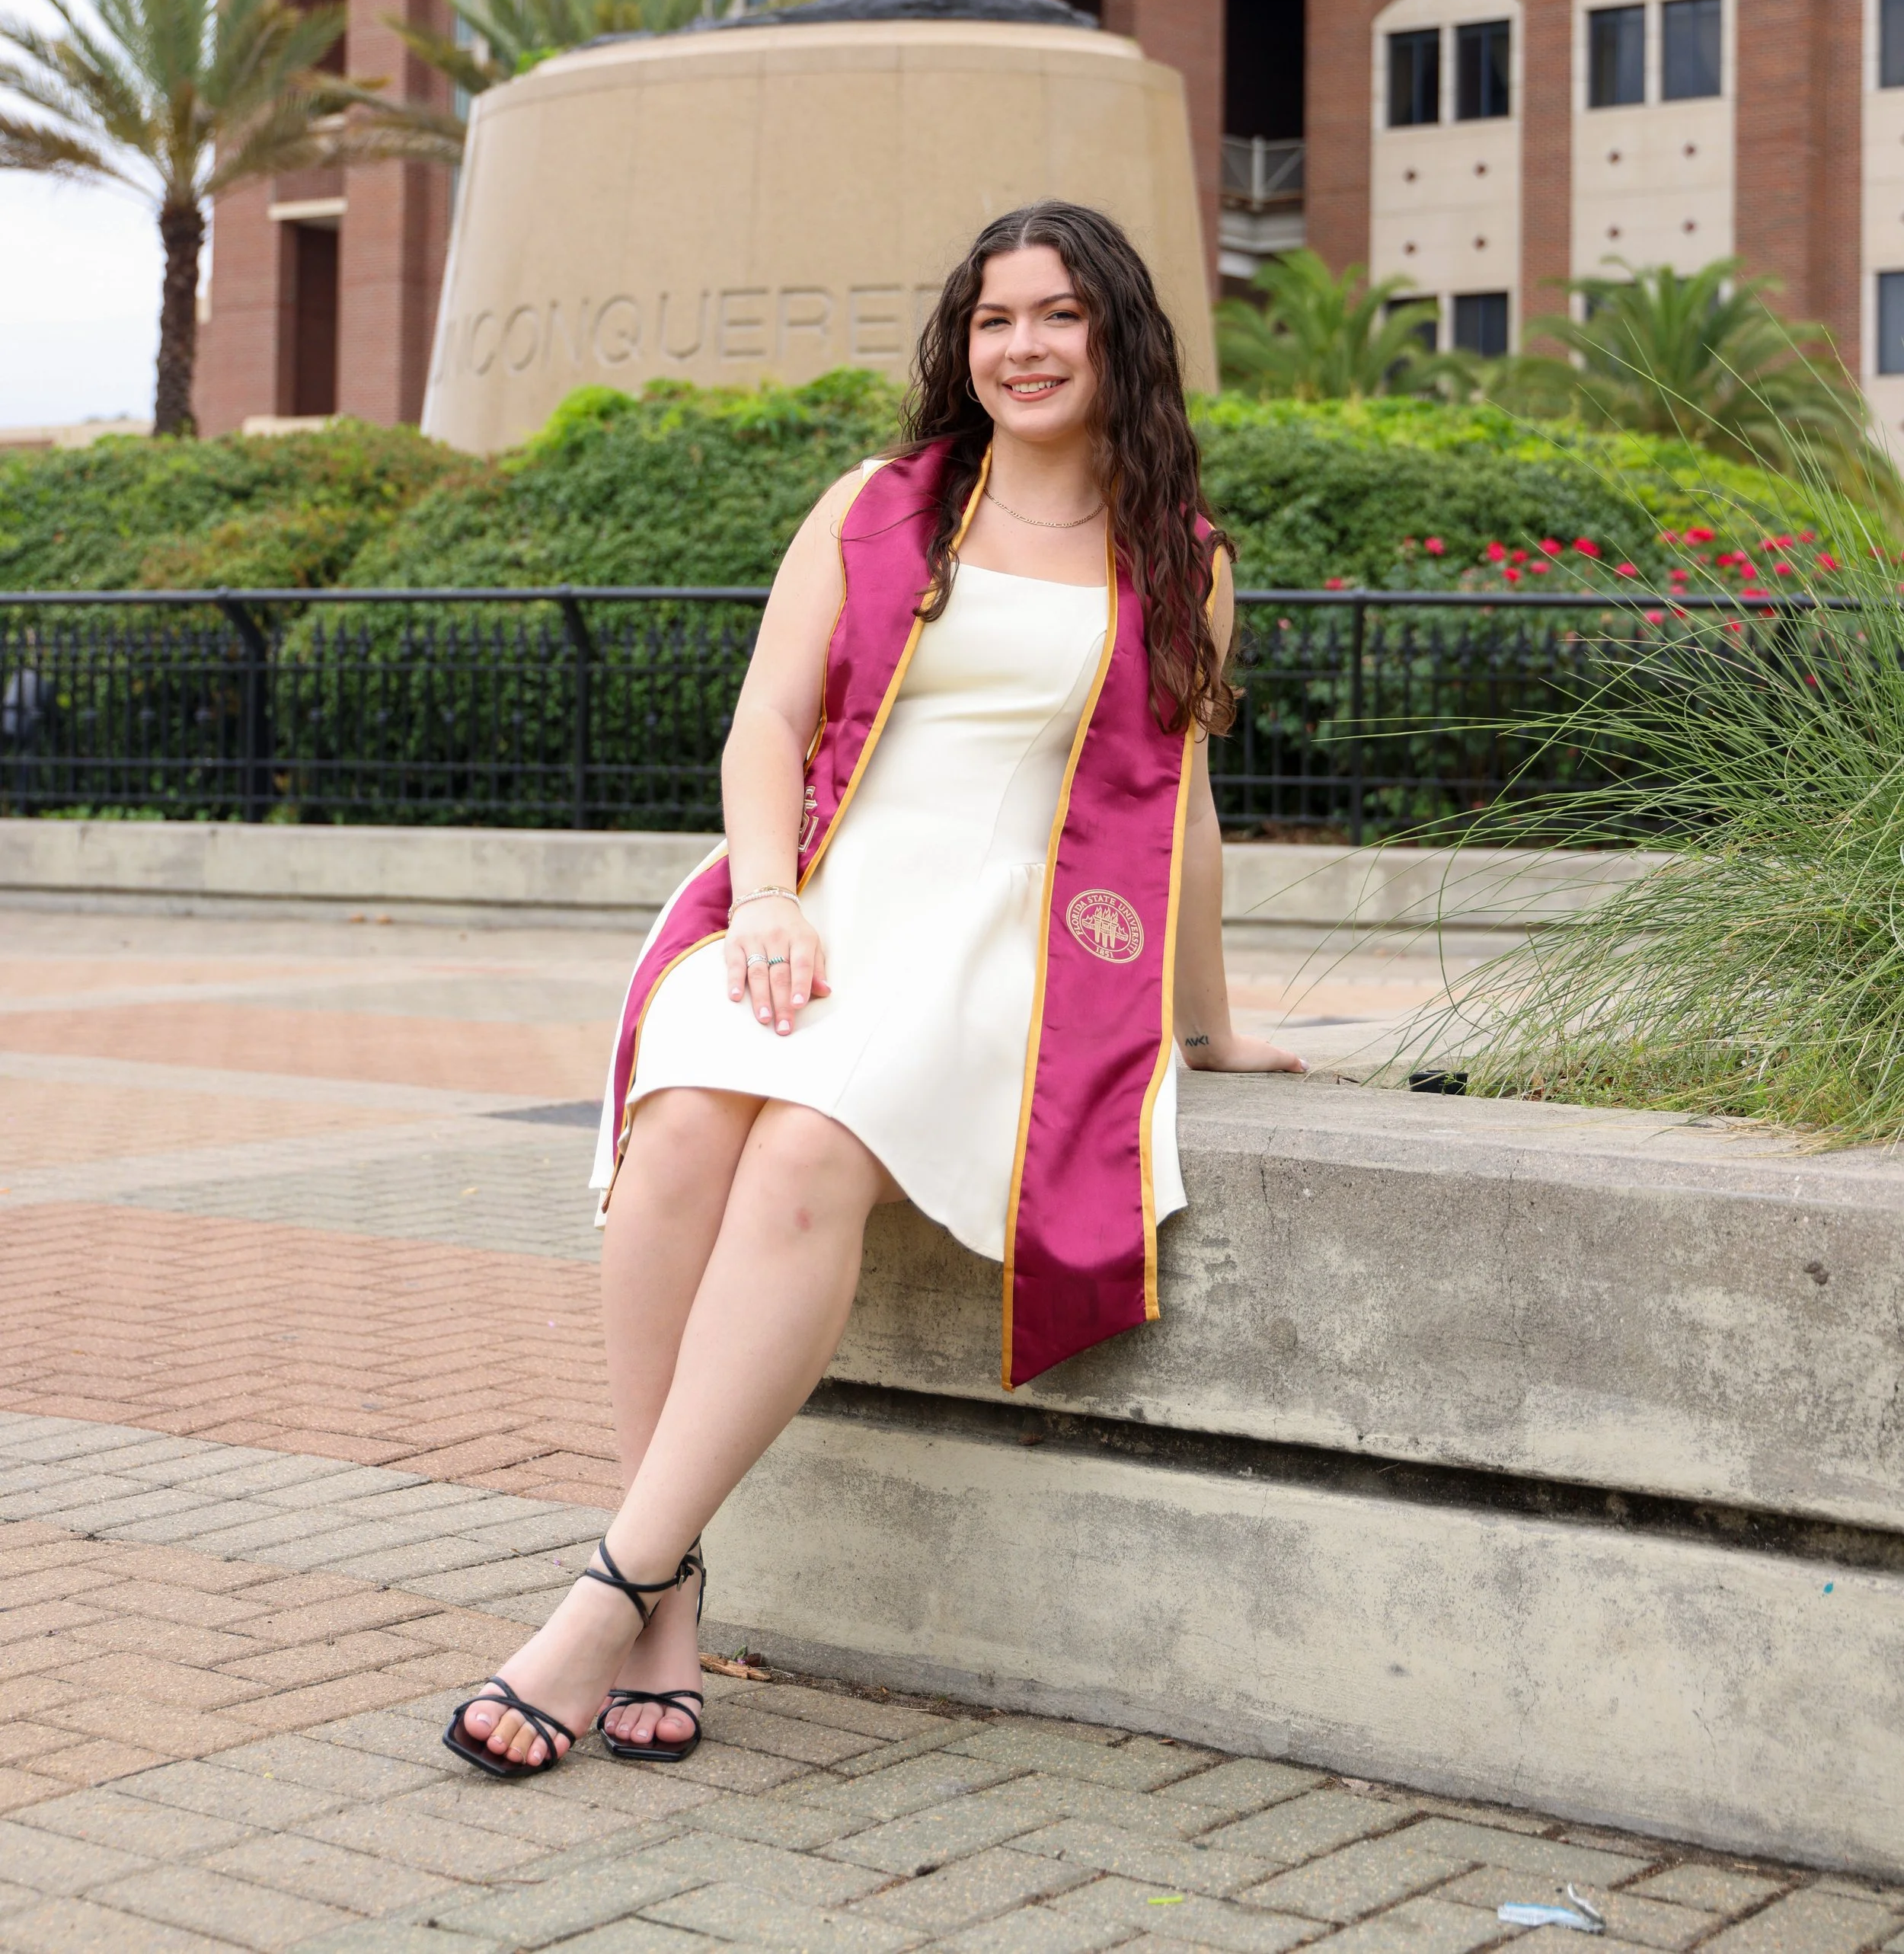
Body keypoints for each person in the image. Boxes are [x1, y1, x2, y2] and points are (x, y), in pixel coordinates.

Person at [442, 201, 1305, 1778]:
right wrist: (767, 899)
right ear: (958, 343)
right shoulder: (878, 504)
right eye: (992, 319)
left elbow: (1176, 810)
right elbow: (765, 721)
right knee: (686, 1120)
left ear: (1118, 334)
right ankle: (669, 1584)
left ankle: (610, 1589)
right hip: (817, 887)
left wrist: (1209, 1022)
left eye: (1058, 315)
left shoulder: (1177, 561)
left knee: (808, 1148)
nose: (1023, 347)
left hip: (997, 939)